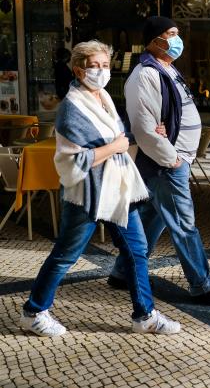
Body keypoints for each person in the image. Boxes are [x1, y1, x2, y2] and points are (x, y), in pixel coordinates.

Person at [20, 40, 181, 337]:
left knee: (136, 250)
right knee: (66, 255)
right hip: (87, 194)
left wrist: (134, 136)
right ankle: (33, 312)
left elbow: (115, 135)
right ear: (79, 70)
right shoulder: (71, 109)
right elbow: (73, 160)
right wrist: (117, 145)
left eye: (105, 65)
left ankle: (144, 315)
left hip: (117, 190)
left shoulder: (103, 97)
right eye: (95, 66)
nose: (101, 71)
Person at [108, 16, 210, 305]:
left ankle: (121, 271)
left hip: (173, 159)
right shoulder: (144, 75)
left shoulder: (167, 68)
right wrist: (173, 159)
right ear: (155, 40)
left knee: (154, 217)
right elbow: (143, 127)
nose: (178, 40)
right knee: (183, 222)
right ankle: (202, 285)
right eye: (172, 34)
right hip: (165, 163)